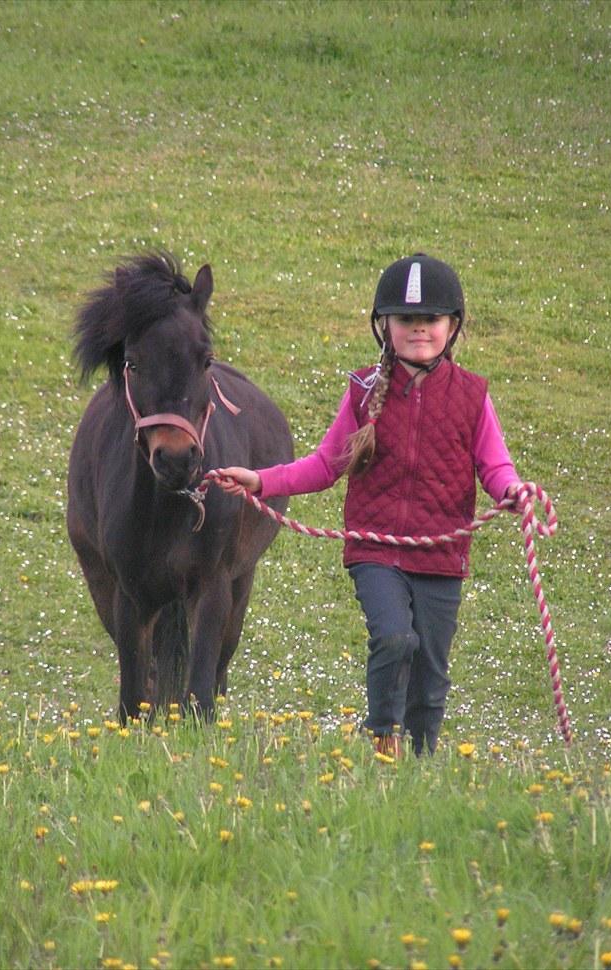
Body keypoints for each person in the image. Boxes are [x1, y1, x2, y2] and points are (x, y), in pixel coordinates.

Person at [218, 253, 528, 758]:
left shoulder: (473, 397)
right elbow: (323, 466)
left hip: (441, 555)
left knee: (431, 674)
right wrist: (259, 480)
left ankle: (420, 768)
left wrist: (513, 491)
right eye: (406, 319)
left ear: (453, 326)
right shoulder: (363, 391)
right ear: (384, 325)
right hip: (375, 549)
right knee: (394, 639)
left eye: (430, 319)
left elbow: (495, 465)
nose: (419, 330)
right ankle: (383, 735)